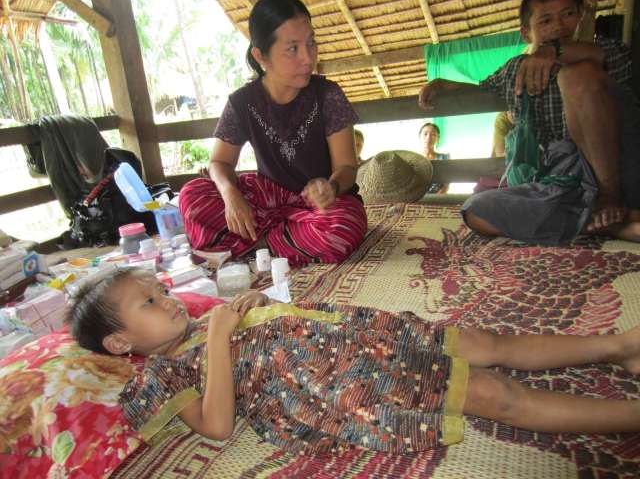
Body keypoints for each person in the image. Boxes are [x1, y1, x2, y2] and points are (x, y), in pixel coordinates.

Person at [67, 267, 640, 454]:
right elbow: (217, 427)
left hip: (352, 332)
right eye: (148, 302)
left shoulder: (209, 317)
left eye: (161, 289)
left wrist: (257, 306)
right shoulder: (160, 376)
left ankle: (618, 345)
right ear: (119, 344)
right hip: (339, 382)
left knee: (483, 343)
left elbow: (266, 322)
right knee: (494, 395)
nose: (168, 299)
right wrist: (219, 335)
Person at [418, 0, 640, 244]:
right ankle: (605, 226)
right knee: (476, 210)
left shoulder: (606, 51)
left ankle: (609, 199)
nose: (559, 25)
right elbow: (482, 91)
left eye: (568, 14)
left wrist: (555, 51)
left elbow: (609, 59)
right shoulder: (516, 69)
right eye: (546, 20)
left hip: (617, 172)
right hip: (561, 184)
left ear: (581, 17)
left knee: (575, 75)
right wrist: (444, 84)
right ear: (526, 33)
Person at [178, 0, 366, 267]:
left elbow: (347, 167)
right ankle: (285, 240)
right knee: (192, 195)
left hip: (321, 205)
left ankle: (257, 244)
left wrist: (331, 187)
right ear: (261, 56)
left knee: (343, 227)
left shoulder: (328, 95)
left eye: (311, 43)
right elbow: (219, 162)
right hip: (267, 199)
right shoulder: (242, 102)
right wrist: (231, 196)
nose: (308, 58)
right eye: (293, 48)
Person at [419, 123, 450, 194]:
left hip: (439, 197)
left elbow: (446, 185)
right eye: (425, 134)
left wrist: (436, 197)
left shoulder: (444, 158)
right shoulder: (413, 159)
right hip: (417, 197)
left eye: (433, 134)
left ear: (438, 138)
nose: (428, 137)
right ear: (419, 137)